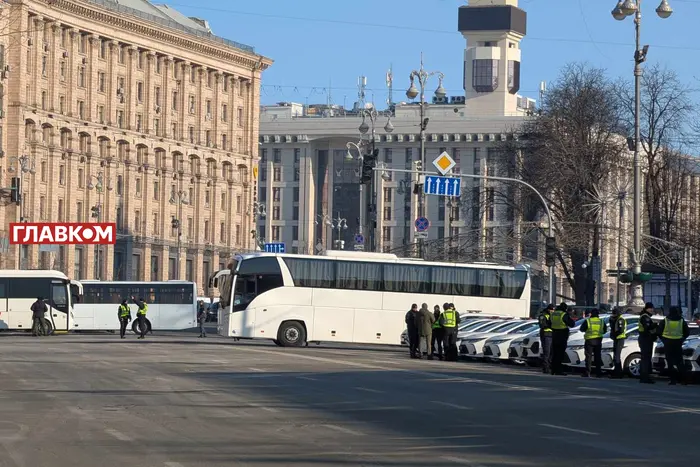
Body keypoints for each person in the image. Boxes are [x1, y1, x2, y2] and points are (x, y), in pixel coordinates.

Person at [656, 306, 690, 385]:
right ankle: (684, 380)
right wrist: (682, 339)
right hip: (678, 343)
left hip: (668, 343)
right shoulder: (681, 320)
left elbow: (658, 332)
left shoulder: (665, 320)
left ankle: (673, 380)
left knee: (670, 363)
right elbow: (687, 332)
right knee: (680, 362)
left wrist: (664, 340)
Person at [579, 308, 607, 378]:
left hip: (589, 340)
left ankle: (588, 372)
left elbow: (582, 329)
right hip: (598, 340)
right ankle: (598, 373)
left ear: (591, 314)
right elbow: (604, 330)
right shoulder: (601, 321)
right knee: (597, 357)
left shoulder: (588, 321)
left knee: (588, 357)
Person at [550, 303, 576, 375]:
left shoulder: (553, 314)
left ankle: (553, 370)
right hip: (562, 335)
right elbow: (572, 324)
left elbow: (549, 323)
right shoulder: (564, 314)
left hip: (554, 335)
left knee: (554, 354)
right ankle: (558, 370)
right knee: (560, 354)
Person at [638, 302, 658, 384]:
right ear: (647, 308)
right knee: (646, 358)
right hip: (645, 339)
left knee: (645, 358)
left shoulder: (645, 316)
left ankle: (644, 376)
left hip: (645, 339)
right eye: (651, 308)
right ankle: (645, 376)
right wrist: (655, 325)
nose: (652, 310)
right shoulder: (645, 317)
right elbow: (647, 328)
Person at [609, 308, 627, 378]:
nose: (613, 315)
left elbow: (620, 330)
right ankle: (617, 371)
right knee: (616, 356)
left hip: (620, 339)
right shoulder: (616, 319)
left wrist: (614, 335)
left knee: (617, 356)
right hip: (616, 339)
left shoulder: (620, 320)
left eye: (614, 314)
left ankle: (618, 373)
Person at [538, 304, 554, 374]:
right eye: (551, 309)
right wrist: (550, 325)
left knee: (551, 352)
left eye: (553, 309)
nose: (552, 311)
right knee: (546, 352)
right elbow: (542, 325)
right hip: (546, 334)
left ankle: (550, 367)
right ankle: (545, 368)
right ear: (548, 309)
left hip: (552, 335)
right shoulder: (543, 315)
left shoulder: (553, 315)